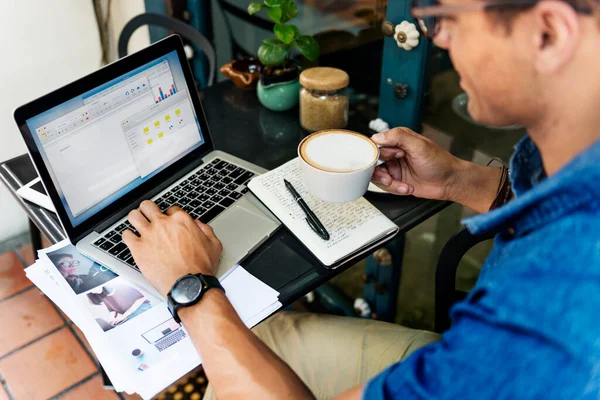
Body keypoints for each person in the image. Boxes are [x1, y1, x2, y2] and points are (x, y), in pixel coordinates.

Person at [122, 0, 600, 397]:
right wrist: (459, 181)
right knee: (253, 335)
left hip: (465, 367)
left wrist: (192, 287)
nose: (437, 40)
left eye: (445, 19)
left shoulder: (554, 309)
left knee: (227, 353)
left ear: (548, 33)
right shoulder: (572, 157)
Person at [87, 284, 152, 328]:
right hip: (128, 315)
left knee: (126, 326)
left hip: (141, 307)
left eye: (93, 289)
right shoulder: (103, 296)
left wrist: (123, 317)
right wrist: (111, 321)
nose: (93, 292)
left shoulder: (120, 287)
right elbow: (112, 310)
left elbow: (141, 298)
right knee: (116, 327)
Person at [48, 253, 117, 294]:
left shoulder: (85, 278)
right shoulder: (55, 289)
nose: (74, 267)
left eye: (74, 263)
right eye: (67, 263)